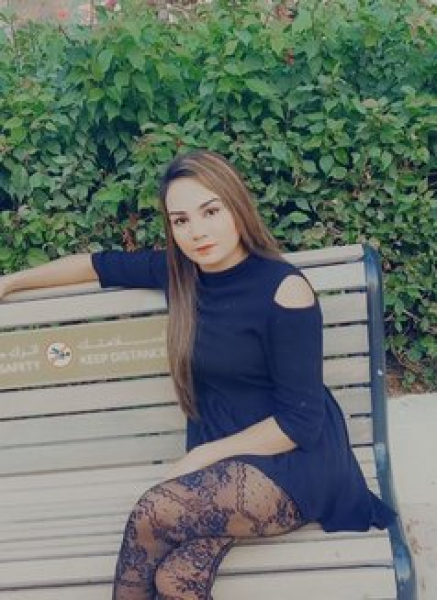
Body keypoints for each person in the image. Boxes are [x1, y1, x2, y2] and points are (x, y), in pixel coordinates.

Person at [0, 150, 396, 599]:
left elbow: (299, 423)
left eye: (211, 211)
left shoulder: (285, 290)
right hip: (227, 458)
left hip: (292, 461)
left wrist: (203, 455)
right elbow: (95, 265)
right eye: (181, 220)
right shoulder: (179, 273)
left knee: (152, 512)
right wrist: (11, 281)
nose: (197, 231)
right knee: (175, 582)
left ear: (236, 206)